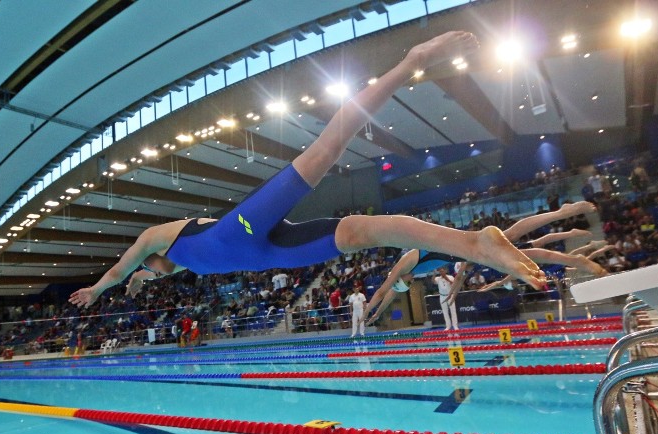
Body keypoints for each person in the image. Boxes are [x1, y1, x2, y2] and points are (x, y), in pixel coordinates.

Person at [69, 32, 543, 309]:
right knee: (362, 233)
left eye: (148, 272)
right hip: (267, 253)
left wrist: (97, 288)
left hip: (239, 232)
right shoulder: (166, 266)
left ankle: (412, 60)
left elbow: (119, 268)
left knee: (324, 151)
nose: (151, 273)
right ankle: (475, 243)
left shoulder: (155, 239)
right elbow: (141, 274)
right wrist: (140, 279)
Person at [364, 202, 600, 323]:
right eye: (409, 283)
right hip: (465, 254)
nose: (411, 280)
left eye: (406, 282)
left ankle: (561, 215)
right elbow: (392, 295)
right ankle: (573, 254)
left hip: (466, 245)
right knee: (519, 244)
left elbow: (384, 290)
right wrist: (455, 290)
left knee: (513, 236)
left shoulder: (406, 262)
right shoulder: (417, 270)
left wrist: (366, 311)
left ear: (401, 279)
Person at [433, 266, 459, 331]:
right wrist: (434, 274)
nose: (441, 272)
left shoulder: (451, 277)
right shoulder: (438, 278)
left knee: (453, 311)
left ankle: (455, 326)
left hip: (450, 295)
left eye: (442, 271)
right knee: (445, 312)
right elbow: (433, 281)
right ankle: (448, 326)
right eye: (440, 271)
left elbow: (453, 284)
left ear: (445, 271)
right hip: (442, 296)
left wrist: (446, 278)